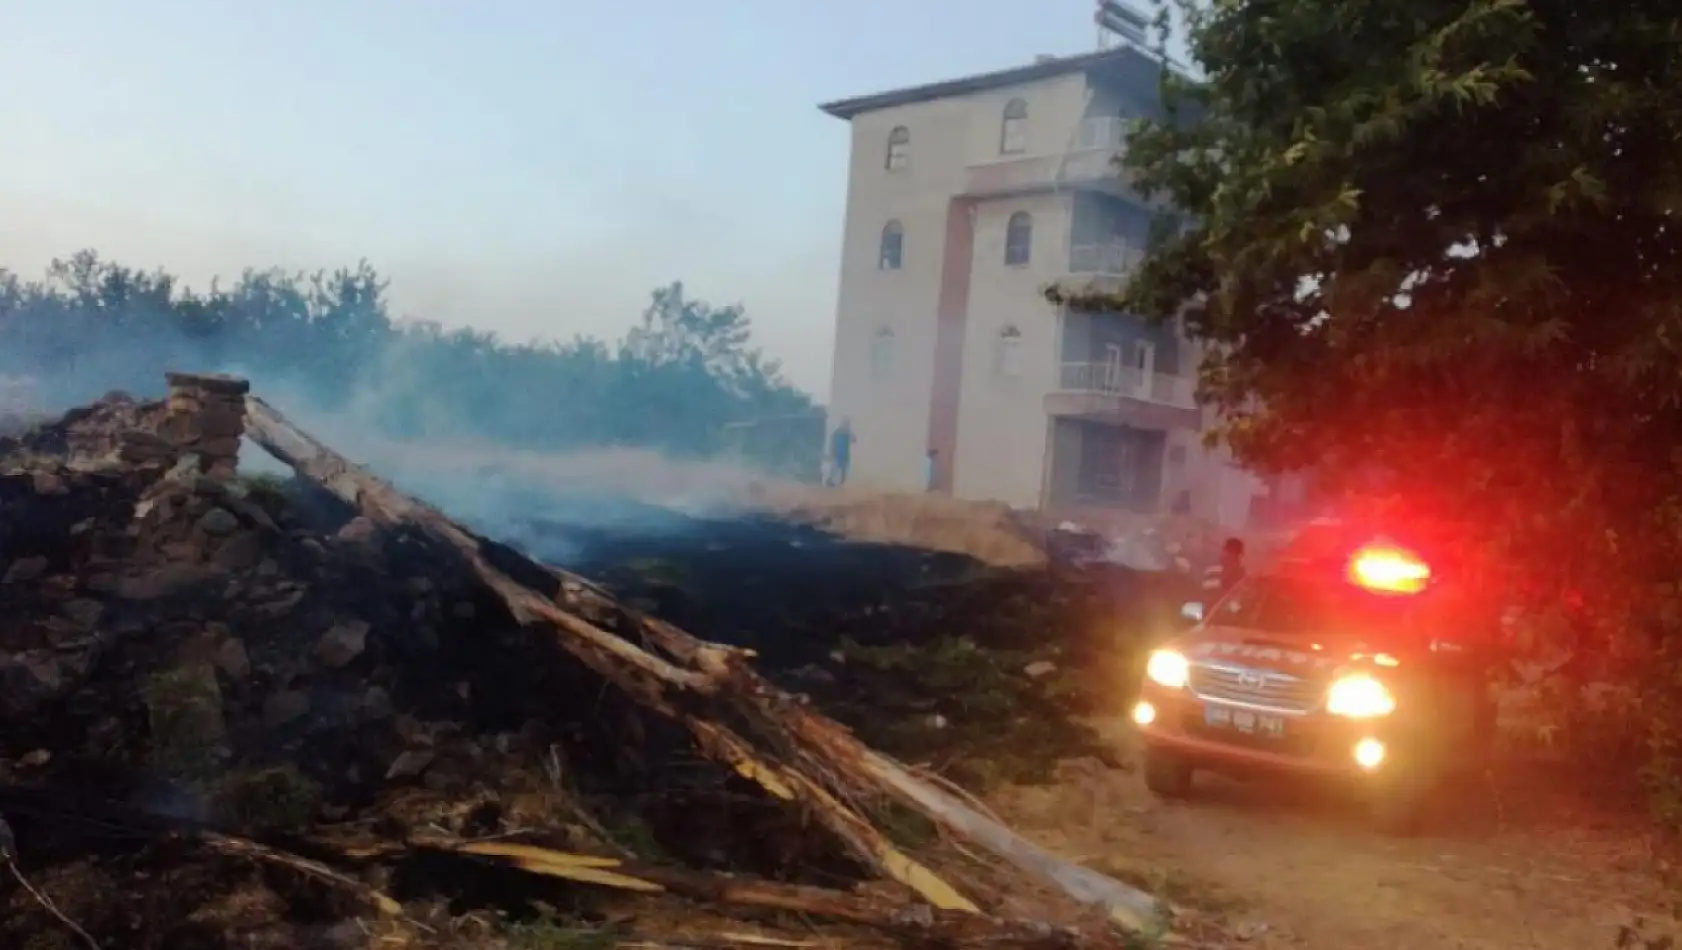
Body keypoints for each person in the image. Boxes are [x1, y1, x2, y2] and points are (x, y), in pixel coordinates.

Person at [828, 418, 855, 486]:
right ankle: (830, 480)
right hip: (837, 453)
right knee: (834, 467)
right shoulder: (837, 431)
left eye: (847, 424)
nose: (846, 425)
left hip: (844, 454)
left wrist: (850, 434)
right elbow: (832, 441)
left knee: (843, 469)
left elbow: (854, 440)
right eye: (845, 423)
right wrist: (831, 451)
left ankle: (840, 483)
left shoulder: (848, 432)